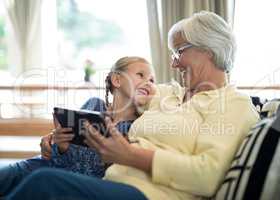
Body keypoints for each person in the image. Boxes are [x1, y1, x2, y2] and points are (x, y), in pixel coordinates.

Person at [6, 11, 259, 200]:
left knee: (45, 183)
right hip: (113, 181)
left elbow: (207, 175)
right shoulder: (168, 94)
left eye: (179, 52)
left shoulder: (233, 104)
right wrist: (57, 138)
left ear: (209, 49)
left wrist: (130, 156)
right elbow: (122, 92)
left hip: (151, 195)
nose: (173, 64)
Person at [0, 56, 155, 197]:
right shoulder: (94, 105)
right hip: (38, 166)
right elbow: (54, 155)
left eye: (152, 80)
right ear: (117, 80)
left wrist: (64, 150)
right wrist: (58, 145)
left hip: (62, 181)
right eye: (141, 75)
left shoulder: (137, 127)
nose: (148, 82)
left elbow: (96, 176)